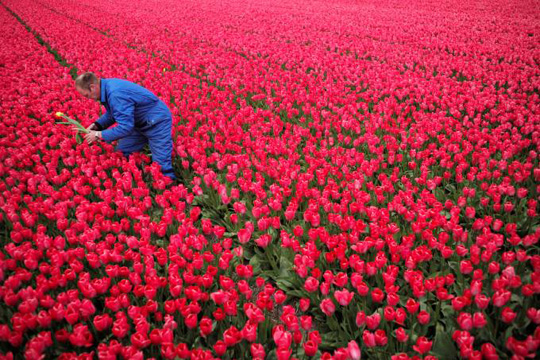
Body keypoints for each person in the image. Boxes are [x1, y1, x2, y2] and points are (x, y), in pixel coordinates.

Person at [74, 72, 176, 180]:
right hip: (138, 122)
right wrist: (97, 125)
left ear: (92, 87)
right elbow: (113, 112)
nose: (89, 98)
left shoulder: (115, 93)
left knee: (161, 165)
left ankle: (168, 186)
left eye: (86, 95)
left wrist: (99, 134)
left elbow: (125, 128)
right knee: (122, 153)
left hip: (156, 122)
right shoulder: (107, 87)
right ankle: (139, 177)